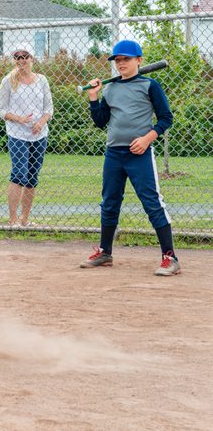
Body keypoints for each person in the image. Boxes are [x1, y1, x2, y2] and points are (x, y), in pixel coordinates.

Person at [80, 40, 181, 276]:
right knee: (109, 202)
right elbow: (100, 121)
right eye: (117, 60)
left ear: (139, 60)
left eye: (126, 59)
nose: (121, 63)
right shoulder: (111, 88)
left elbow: (166, 118)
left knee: (152, 202)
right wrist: (94, 98)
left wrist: (147, 138)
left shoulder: (149, 85)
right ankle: (105, 252)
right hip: (114, 153)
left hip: (140, 153)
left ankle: (170, 257)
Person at [0, 48, 54, 227]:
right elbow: (1, 110)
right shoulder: (8, 81)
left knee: (32, 177)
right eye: (17, 58)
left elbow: (49, 109)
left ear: (32, 59)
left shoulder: (42, 80)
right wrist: (19, 119)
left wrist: (41, 122)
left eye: (25, 57)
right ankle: (13, 219)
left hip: (39, 134)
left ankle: (24, 220)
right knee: (18, 174)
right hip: (18, 134)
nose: (21, 60)